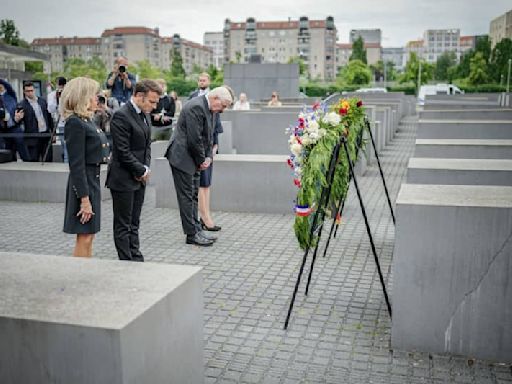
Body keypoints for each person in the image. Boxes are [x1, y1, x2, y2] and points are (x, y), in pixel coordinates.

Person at [165, 86, 233, 246]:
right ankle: (191, 235)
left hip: (194, 158)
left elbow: (209, 137)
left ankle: (196, 229)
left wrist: (208, 157)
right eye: (223, 105)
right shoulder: (195, 106)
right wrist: (203, 159)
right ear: (215, 98)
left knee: (194, 195)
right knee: (187, 197)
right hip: (182, 157)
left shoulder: (211, 109)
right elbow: (194, 138)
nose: (223, 110)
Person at [106, 79, 161, 262]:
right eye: (151, 101)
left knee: (134, 222)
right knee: (123, 224)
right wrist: (140, 169)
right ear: (138, 96)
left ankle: (136, 255)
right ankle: (126, 260)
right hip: (122, 178)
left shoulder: (144, 114)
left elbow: (147, 146)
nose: (154, 106)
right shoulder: (121, 116)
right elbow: (122, 151)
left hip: (139, 177)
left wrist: (144, 169)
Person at [60, 77, 110, 257]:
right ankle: (79, 277)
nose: (97, 98)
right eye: (93, 95)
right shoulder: (75, 123)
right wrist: (84, 199)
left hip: (92, 180)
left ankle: (86, 272)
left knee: (89, 235)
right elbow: (76, 165)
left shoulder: (87, 120)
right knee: (85, 236)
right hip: (83, 184)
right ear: (82, 97)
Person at [188, 73, 224, 232]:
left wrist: (214, 148)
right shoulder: (193, 97)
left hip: (208, 149)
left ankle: (205, 217)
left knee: (206, 183)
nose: (201, 82)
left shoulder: (217, 101)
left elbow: (216, 127)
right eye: (199, 80)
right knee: (198, 185)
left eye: (204, 80)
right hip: (197, 149)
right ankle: (201, 219)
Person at [14, 82, 53, 162]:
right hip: (32, 137)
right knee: (33, 160)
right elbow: (18, 122)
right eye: (28, 91)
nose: (30, 93)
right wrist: (17, 119)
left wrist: (52, 132)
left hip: (45, 134)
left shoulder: (42, 101)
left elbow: (49, 117)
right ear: (24, 92)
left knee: (48, 159)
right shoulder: (22, 105)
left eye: (32, 90)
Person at [0, 79, 30, 161]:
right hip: (2, 129)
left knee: (20, 143)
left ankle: (27, 162)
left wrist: (1, 80)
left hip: (14, 126)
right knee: (7, 149)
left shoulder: (10, 95)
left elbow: (8, 86)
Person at [47, 76, 68, 162]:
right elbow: (50, 109)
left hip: (70, 121)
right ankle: (65, 159)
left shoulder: (69, 93)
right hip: (60, 123)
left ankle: (67, 162)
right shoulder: (52, 95)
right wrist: (57, 98)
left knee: (68, 146)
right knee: (64, 146)